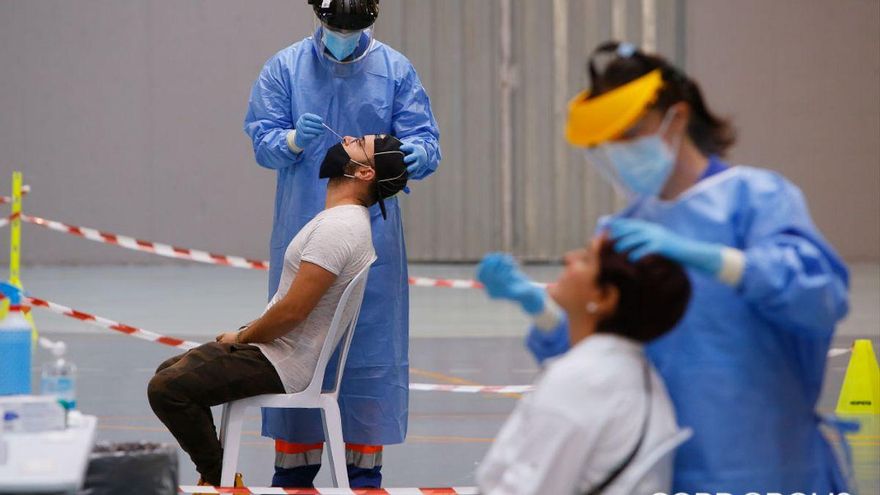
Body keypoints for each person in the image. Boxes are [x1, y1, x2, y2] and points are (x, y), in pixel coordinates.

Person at [506, 41, 853, 492]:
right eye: (609, 141)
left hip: (773, 466)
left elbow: (822, 298)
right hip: (668, 474)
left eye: (632, 132)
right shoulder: (624, 230)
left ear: (678, 118)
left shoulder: (756, 200)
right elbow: (591, 358)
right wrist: (546, 311)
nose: (620, 150)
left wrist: (719, 261)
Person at [243, 0, 441, 488]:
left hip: (374, 236)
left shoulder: (395, 70)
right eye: (336, 26)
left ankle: (363, 477)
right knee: (294, 339)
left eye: (356, 28)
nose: (344, 35)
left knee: (370, 349)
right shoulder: (285, 69)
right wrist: (289, 140)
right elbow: (262, 139)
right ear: (319, 15)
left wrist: (419, 153)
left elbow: (425, 141)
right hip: (302, 224)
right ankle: (294, 473)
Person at [147, 135, 408, 487]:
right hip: (276, 351)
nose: (345, 138)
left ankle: (222, 482)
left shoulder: (339, 228)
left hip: (281, 361)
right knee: (171, 372)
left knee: (168, 389)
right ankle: (219, 477)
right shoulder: (342, 221)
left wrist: (241, 337)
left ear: (363, 173)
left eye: (358, 142)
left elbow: (292, 312)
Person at [475, 237, 689, 495]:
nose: (569, 257)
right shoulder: (633, 373)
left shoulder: (580, 382)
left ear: (605, 297)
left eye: (586, 259)